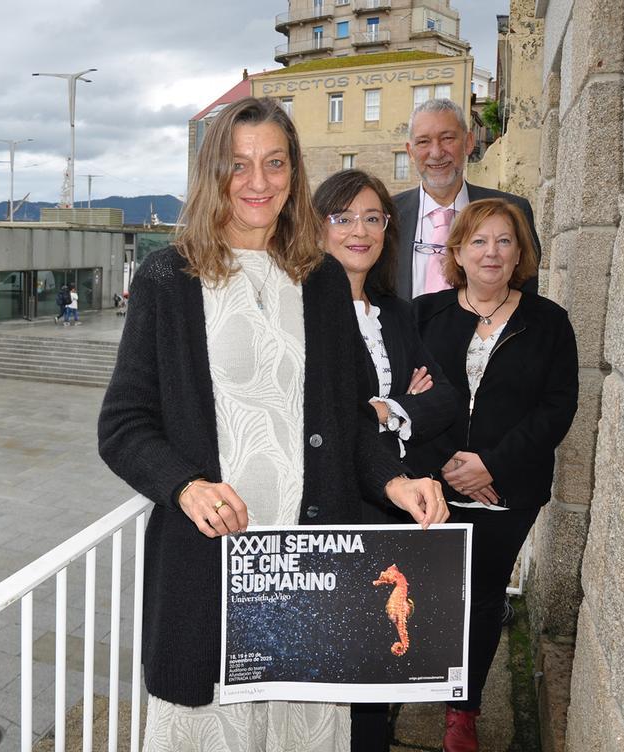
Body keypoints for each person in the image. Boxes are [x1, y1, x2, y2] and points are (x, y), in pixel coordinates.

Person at [98, 96, 449, 752]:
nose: (257, 181)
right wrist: (185, 486)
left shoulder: (319, 281)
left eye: (274, 163)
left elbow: (347, 418)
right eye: (238, 165)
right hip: (211, 572)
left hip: (308, 571)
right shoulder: (166, 279)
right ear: (212, 175)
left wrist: (397, 483)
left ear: (294, 175)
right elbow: (123, 423)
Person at [406, 198, 577, 751]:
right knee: (423, 595)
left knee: (481, 600)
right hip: (432, 488)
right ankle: (396, 688)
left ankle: (464, 709)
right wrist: (452, 466)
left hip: (507, 491)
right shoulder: (423, 315)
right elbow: (407, 398)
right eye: (478, 241)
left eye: (504, 240)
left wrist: (490, 464)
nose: (492, 252)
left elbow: (557, 406)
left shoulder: (547, 320)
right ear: (456, 251)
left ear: (520, 251)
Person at [313, 168, 458, 747]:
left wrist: (387, 409)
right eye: (343, 217)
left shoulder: (396, 313)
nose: (359, 230)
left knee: (376, 672)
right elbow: (317, 414)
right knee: (323, 666)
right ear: (316, 227)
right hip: (326, 511)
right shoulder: (302, 313)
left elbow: (446, 397)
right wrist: (382, 405)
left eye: (373, 218)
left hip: (387, 511)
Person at [393, 99, 541, 301]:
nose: (436, 153)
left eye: (447, 138)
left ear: (469, 142)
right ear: (410, 151)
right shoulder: (387, 215)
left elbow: (526, 297)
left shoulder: (513, 211)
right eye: (423, 142)